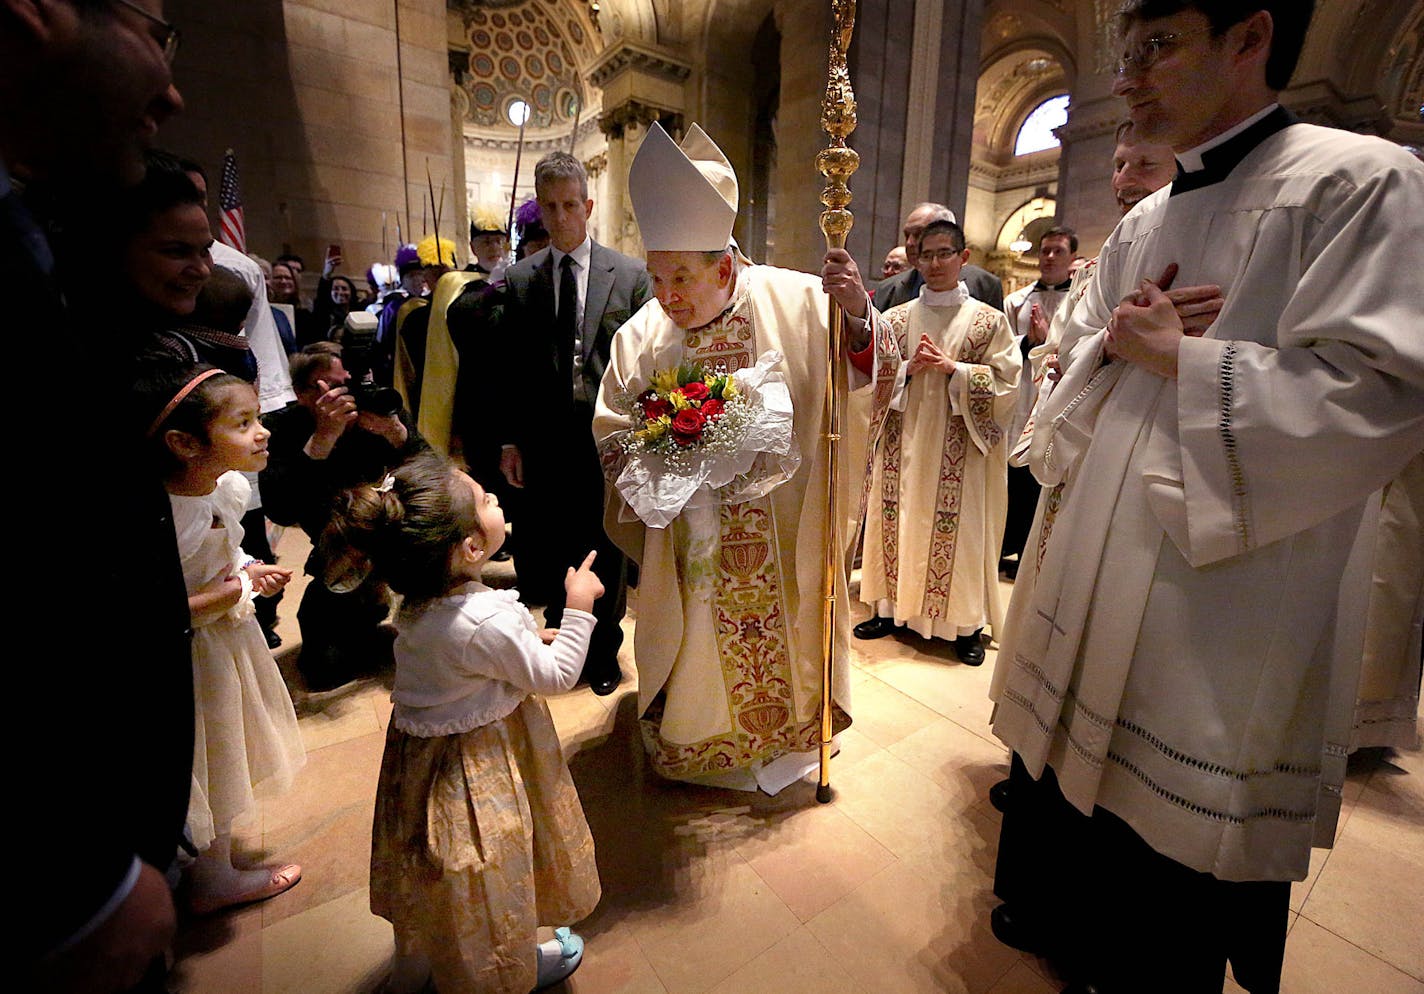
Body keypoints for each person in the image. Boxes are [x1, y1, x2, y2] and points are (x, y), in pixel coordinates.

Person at [989, 3, 1424, 992]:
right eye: (1122, 53)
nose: (1128, 78)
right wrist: (1114, 347)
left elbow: (1386, 393)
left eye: (1156, 47)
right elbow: (1083, 358)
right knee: (1085, 823)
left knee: (1171, 882)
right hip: (1103, 546)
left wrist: (1187, 362)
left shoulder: (1359, 183)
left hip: (1226, 585)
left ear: (1248, 36)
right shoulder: (1145, 217)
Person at [592, 122, 901, 792]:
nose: (668, 295)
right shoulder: (641, 337)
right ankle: (695, 736)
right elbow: (613, 428)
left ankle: (790, 736)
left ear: (725, 266)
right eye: (657, 276)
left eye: (683, 277)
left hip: (784, 532)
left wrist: (854, 318)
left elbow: (870, 375)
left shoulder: (799, 301)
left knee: (786, 628)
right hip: (691, 541)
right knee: (698, 634)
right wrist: (657, 455)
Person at [5, 2, 189, 986]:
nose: (172, 89)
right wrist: (70, 878)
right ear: (29, 16)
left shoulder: (43, 226)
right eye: (147, 29)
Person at [327, 453, 601, 994]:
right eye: (486, 500)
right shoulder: (485, 619)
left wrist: (521, 643)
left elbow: (470, 656)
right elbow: (555, 675)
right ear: (472, 547)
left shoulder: (419, 599)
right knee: (494, 868)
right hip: (480, 764)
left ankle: (426, 955)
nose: (496, 499)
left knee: (441, 870)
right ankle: (506, 964)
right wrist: (578, 606)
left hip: (422, 759)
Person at [986, 118, 1186, 812]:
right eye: (1119, 163)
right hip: (1073, 460)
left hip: (1126, 466)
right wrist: (1084, 345)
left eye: (1143, 163)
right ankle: (1028, 751)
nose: (1123, 179)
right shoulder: (1112, 261)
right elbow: (1068, 349)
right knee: (1043, 614)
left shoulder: (1177, 247)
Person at [138, 361, 306, 913]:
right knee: (208, 753)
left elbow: (224, 553)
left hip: (223, 643)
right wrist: (236, 589)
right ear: (185, 443)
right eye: (243, 423)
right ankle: (211, 878)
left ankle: (210, 862)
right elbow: (159, 607)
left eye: (258, 418)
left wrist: (246, 568)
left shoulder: (226, 488)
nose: (263, 432)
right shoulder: (165, 515)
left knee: (226, 742)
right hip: (190, 653)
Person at [491, 151, 653, 695]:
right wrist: (510, 439)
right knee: (556, 543)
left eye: (570, 206)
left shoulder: (629, 275)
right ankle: (567, 643)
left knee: (605, 542)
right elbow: (508, 366)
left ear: (588, 206)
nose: (561, 218)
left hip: (607, 439)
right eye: (550, 208)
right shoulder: (520, 280)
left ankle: (604, 652)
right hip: (544, 441)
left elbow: (644, 358)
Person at [853, 219, 1021, 666]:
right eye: (925, 255)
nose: (934, 263)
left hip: (960, 450)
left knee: (959, 530)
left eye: (944, 253)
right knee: (898, 516)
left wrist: (957, 370)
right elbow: (872, 382)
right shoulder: (895, 319)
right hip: (901, 444)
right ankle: (889, 611)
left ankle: (964, 626)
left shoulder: (989, 323)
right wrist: (905, 369)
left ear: (964, 258)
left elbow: (1009, 387)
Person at [260, 343, 425, 690]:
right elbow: (280, 508)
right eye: (333, 388)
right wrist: (321, 440)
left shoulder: (381, 405)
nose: (348, 397)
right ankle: (364, 613)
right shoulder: (284, 427)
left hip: (401, 534)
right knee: (325, 669)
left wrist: (397, 434)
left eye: (352, 384)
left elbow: (431, 472)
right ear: (303, 394)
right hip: (339, 549)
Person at [998, 225, 1076, 578]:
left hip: (1057, 399)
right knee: (1011, 475)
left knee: (1041, 474)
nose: (1048, 257)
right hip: (1021, 399)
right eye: (1044, 250)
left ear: (1072, 257)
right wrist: (1028, 343)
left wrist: (1048, 342)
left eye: (1058, 250)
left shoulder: (1081, 301)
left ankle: (1030, 553)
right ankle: (1003, 548)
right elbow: (1003, 348)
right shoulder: (1016, 301)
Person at [873, 202, 1004, 312]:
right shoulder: (886, 289)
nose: (909, 243)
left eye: (919, 234)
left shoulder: (985, 285)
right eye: (907, 235)